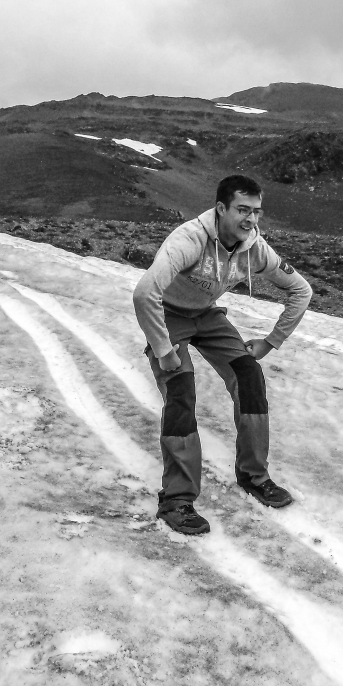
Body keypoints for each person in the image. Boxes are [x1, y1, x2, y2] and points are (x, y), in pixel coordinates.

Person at [133, 174, 312, 535]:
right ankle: (177, 499)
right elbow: (144, 293)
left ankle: (253, 476)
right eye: (243, 210)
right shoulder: (189, 240)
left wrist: (271, 341)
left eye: (257, 212)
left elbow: (301, 290)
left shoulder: (254, 247)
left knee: (249, 376)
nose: (251, 219)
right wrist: (164, 350)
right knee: (181, 391)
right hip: (168, 315)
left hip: (206, 314)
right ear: (220, 209)